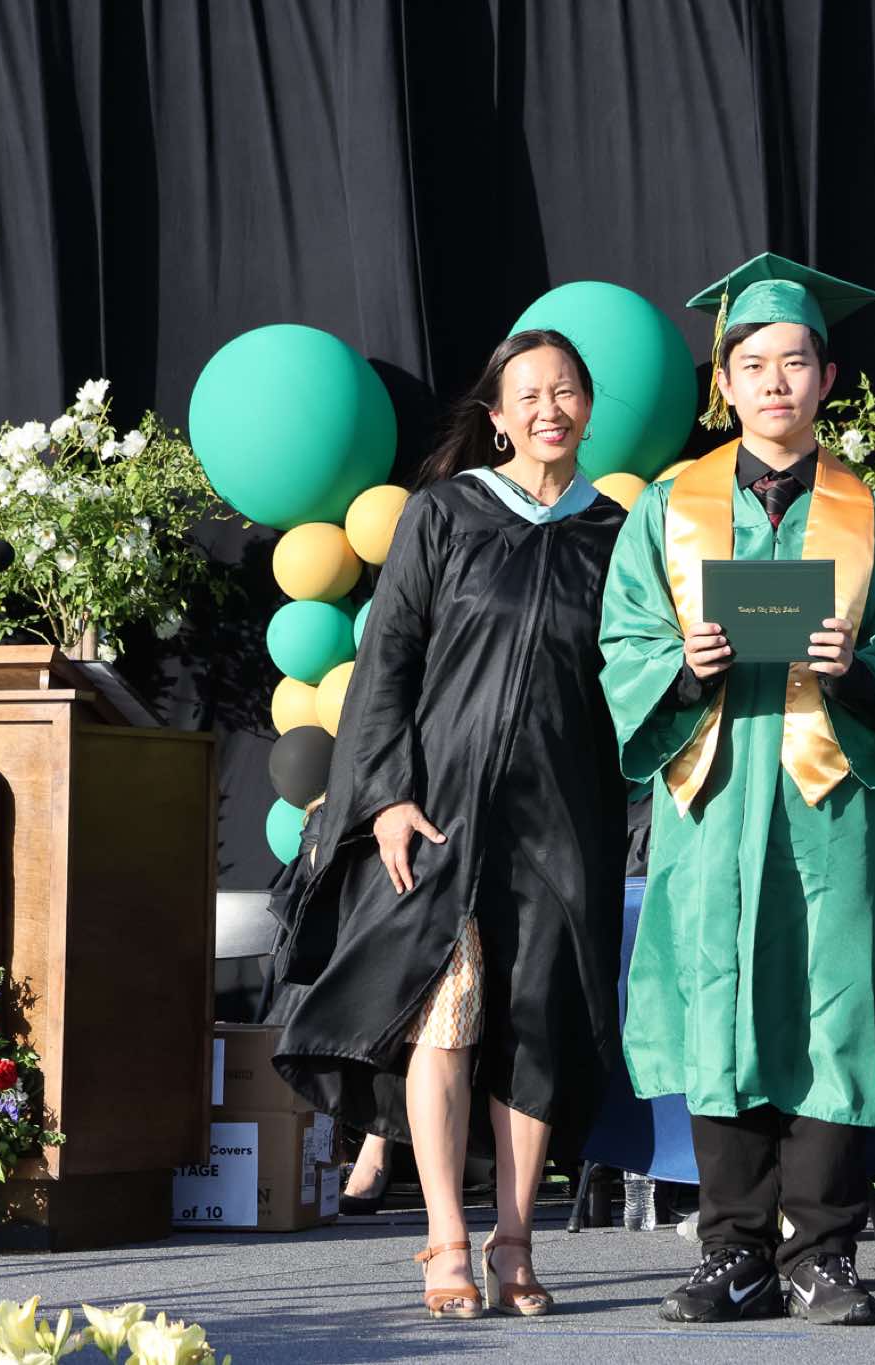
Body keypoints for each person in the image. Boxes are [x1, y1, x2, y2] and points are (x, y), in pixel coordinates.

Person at [599, 253, 875, 1328]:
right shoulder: (668, 510)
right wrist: (682, 666)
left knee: (826, 1011)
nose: (773, 382)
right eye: (751, 364)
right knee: (717, 1005)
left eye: (794, 362)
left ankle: (821, 1254)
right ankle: (733, 1251)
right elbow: (622, 643)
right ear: (724, 381)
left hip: (823, 801)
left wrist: (857, 668)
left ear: (827, 378)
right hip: (708, 800)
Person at [266, 330, 629, 1320]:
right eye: (528, 394)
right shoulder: (446, 514)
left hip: (563, 821)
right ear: (498, 417)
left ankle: (516, 1241)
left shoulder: (614, 533)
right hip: (441, 816)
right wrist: (386, 795)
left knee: (538, 1025)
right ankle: (445, 1238)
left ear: (587, 408)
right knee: (444, 1014)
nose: (549, 408)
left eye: (566, 390)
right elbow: (386, 662)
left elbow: (639, 669)